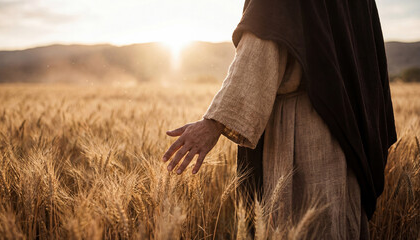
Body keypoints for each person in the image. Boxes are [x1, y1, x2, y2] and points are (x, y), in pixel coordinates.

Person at [162, 0, 397, 239]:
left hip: (303, 131)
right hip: (349, 132)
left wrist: (214, 123)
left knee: (301, 223)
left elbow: (264, 39)